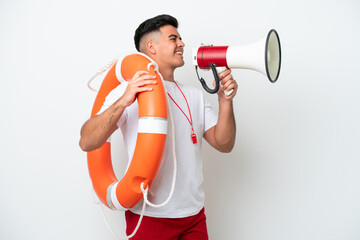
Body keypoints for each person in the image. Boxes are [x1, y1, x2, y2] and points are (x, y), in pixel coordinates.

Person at [79, 14, 238, 240]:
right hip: (149, 217)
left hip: (193, 216)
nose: (182, 43)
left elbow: (224, 144)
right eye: (173, 38)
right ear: (151, 47)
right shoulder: (130, 90)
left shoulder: (194, 95)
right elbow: (86, 141)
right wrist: (124, 100)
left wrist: (225, 102)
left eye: (180, 38)